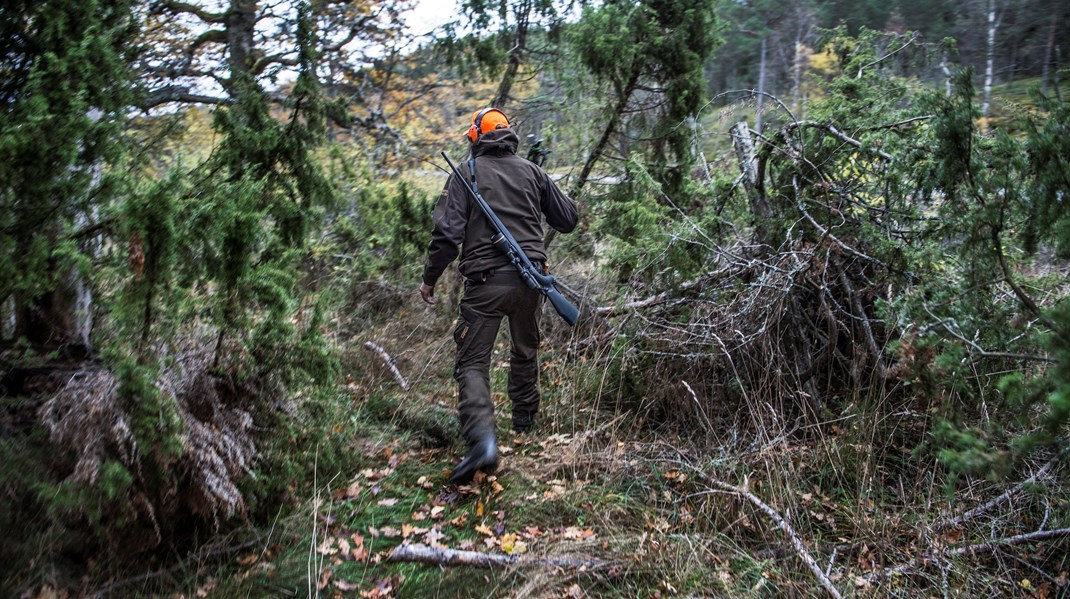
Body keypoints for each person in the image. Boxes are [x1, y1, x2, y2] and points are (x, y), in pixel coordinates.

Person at [419, 108, 578, 484]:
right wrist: (543, 179)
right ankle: (524, 421)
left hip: (485, 284)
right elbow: (568, 219)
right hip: (530, 282)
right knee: (525, 349)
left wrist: (429, 279)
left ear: (475, 137)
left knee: (472, 364)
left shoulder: (466, 172)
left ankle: (483, 442)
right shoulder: (532, 171)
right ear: (508, 136)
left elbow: (446, 236)